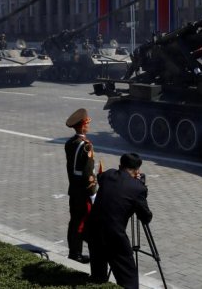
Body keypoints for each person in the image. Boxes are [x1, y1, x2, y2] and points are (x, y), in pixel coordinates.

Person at [87, 152, 153, 289]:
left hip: (92, 231)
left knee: (98, 276)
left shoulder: (107, 175)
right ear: (137, 171)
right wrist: (141, 187)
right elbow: (146, 217)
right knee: (128, 279)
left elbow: (101, 177)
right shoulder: (137, 188)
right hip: (114, 236)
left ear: (119, 166)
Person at [64, 108, 98, 264]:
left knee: (74, 221)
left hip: (73, 188)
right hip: (83, 192)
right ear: (83, 125)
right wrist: (93, 192)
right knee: (81, 222)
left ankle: (73, 250)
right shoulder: (86, 146)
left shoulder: (70, 142)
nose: (89, 126)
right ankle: (76, 253)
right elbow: (87, 173)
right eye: (87, 123)